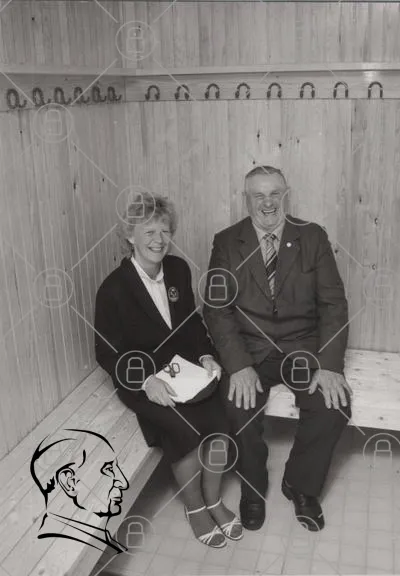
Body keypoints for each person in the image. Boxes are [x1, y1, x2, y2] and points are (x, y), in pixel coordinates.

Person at [203, 166, 352, 532]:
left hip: (302, 349)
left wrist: (329, 366)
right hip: (250, 350)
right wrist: (238, 364)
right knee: (237, 406)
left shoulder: (312, 236)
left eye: (274, 194)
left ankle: (300, 485)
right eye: (258, 195)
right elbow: (217, 309)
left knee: (333, 405)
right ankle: (253, 489)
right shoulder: (227, 242)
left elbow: (333, 304)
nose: (267, 203)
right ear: (246, 199)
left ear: (286, 195)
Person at [94, 193, 242, 548]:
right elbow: (107, 352)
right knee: (183, 430)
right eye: (149, 232)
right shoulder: (113, 288)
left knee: (220, 421)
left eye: (164, 231)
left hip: (184, 370)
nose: (158, 240)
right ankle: (195, 508)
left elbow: (191, 323)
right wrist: (146, 381)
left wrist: (205, 355)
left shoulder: (178, 269)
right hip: (143, 378)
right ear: (129, 235)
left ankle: (213, 500)